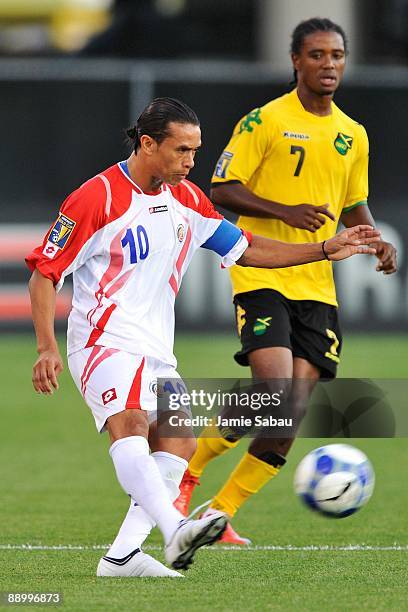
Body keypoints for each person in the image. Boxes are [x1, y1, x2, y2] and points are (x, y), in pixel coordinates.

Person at [27, 97, 380, 578]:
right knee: (129, 427)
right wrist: (47, 346)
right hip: (104, 341)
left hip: (156, 349)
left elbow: (247, 249)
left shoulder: (188, 199)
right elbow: (45, 273)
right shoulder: (97, 198)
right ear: (147, 144)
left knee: (179, 446)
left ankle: (122, 558)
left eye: (196, 150)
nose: (192, 162)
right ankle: (175, 530)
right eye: (182, 150)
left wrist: (323, 248)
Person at [174, 18, 397, 545]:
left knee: (286, 418)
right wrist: (284, 210)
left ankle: (219, 516)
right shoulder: (265, 121)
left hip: (318, 287)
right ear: (296, 60)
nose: (329, 65)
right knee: (271, 391)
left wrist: (372, 236)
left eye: (337, 55)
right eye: (317, 55)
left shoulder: (353, 133)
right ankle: (184, 477)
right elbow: (222, 188)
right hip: (263, 271)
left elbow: (350, 202)